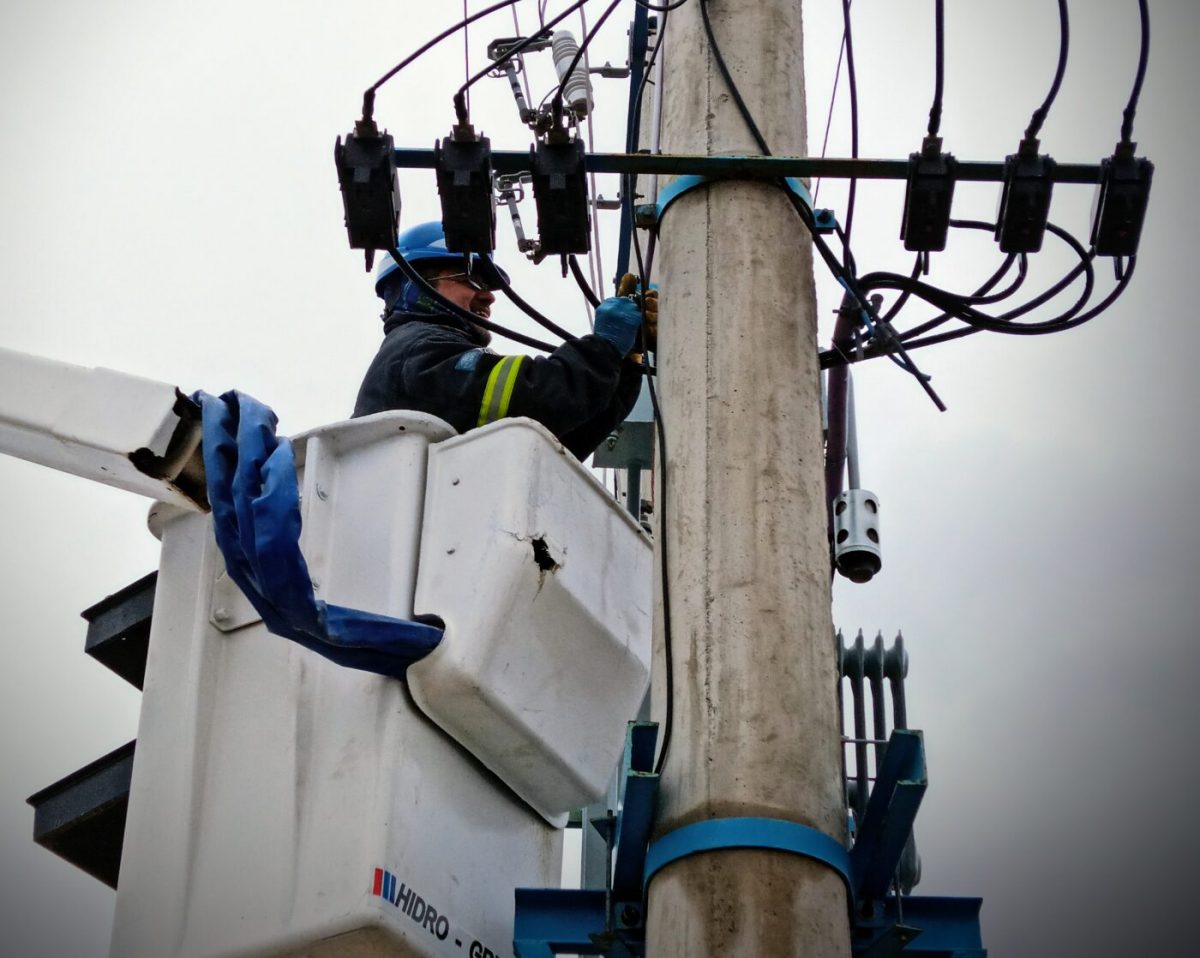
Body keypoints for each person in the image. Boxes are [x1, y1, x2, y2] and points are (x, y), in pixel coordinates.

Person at [353, 221, 653, 460]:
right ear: (414, 284)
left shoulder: (422, 352)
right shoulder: (418, 349)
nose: (488, 296)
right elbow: (536, 400)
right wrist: (605, 345)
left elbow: (558, 439)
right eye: (471, 278)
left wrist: (623, 360)